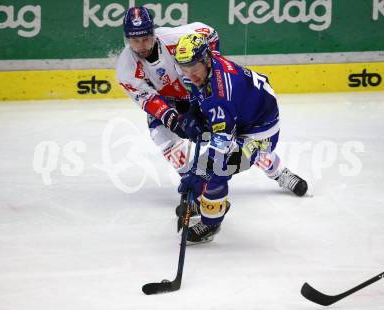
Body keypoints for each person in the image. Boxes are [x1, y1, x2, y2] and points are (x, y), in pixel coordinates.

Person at [174, 34, 308, 245]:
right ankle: (278, 172)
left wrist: (197, 176)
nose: (190, 74)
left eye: (194, 67)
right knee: (226, 160)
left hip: (262, 131)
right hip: (245, 115)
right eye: (184, 67)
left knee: (218, 170)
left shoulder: (221, 94)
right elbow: (198, 93)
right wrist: (193, 113)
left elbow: (220, 151)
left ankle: (211, 223)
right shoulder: (207, 66)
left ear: (206, 59)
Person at [116, 7, 219, 176]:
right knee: (160, 136)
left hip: (200, 92)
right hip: (169, 101)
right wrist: (173, 121)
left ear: (153, 33)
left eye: (146, 38)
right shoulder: (125, 68)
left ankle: (276, 170)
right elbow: (147, 99)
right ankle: (191, 178)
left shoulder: (174, 38)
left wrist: (214, 70)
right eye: (135, 41)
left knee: (234, 130)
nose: (142, 46)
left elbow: (210, 33)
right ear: (127, 39)